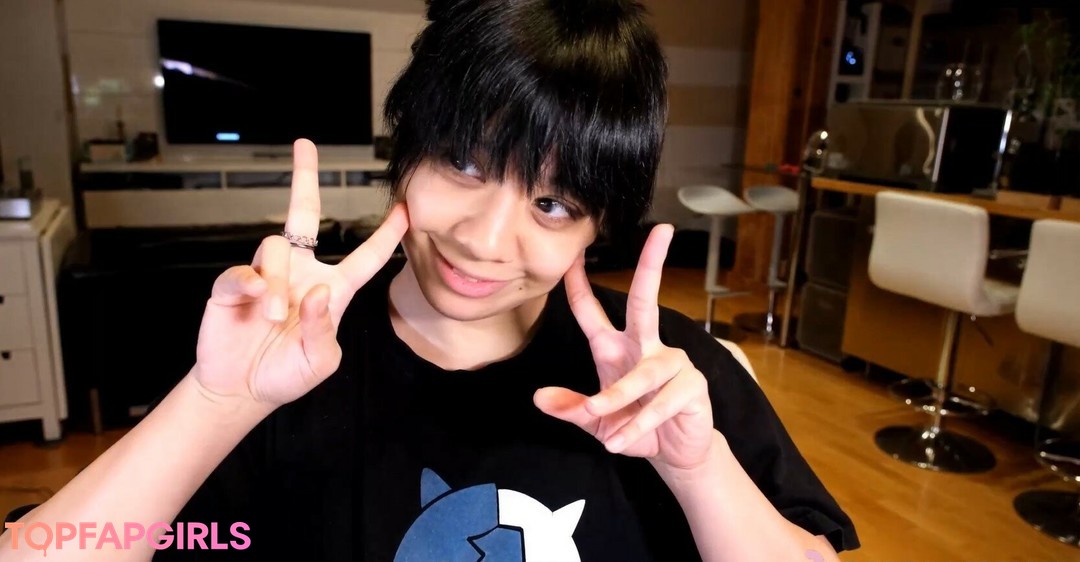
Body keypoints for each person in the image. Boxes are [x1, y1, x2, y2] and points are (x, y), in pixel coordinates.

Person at [0, 1, 859, 560]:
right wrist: (219, 403)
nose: (485, 239)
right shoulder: (276, 358)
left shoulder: (662, 382)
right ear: (404, 146)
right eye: (463, 163)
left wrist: (699, 470)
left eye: (553, 203)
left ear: (601, 225)